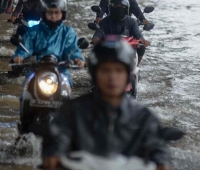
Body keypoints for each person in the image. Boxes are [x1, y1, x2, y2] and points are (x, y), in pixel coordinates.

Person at [42, 36, 170, 170]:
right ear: (94, 73)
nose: (112, 77)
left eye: (119, 70)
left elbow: (157, 146)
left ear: (128, 75)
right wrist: (53, 154)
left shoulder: (143, 117)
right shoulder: (72, 111)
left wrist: (161, 162)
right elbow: (58, 137)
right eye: (105, 70)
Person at [12, 0, 85, 87]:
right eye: (50, 12)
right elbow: (25, 47)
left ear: (63, 14)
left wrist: (78, 59)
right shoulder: (33, 31)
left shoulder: (68, 33)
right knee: (27, 90)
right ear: (44, 13)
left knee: (67, 90)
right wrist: (20, 56)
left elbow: (73, 50)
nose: (53, 16)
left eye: (57, 12)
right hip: (36, 70)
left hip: (61, 72)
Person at [92, 0, 151, 64]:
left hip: (128, 51)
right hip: (109, 51)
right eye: (116, 6)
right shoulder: (104, 22)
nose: (119, 8)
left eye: (122, 6)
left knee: (141, 47)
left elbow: (137, 34)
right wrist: (96, 39)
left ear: (126, 8)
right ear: (111, 7)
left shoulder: (131, 21)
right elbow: (98, 33)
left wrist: (143, 41)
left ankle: (137, 65)